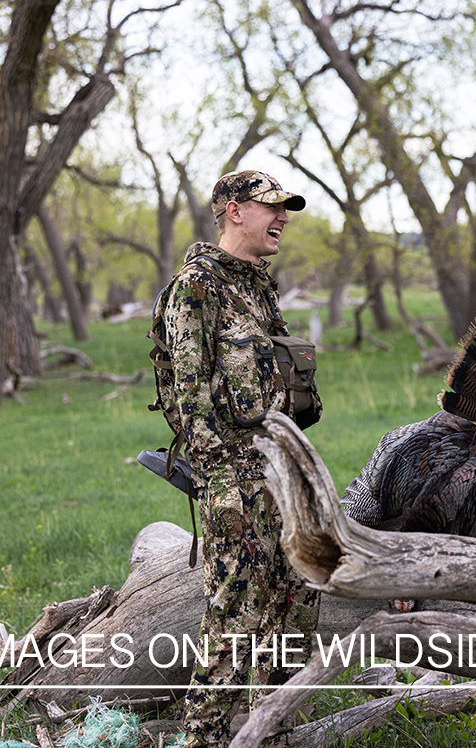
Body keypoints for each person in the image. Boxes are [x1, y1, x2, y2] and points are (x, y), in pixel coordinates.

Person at [159, 170, 321, 745]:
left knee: (294, 611)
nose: (282, 218)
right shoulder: (196, 288)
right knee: (235, 620)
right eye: (270, 207)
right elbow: (190, 403)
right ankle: (201, 737)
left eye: (285, 209)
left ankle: (270, 731)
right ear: (233, 211)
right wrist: (226, 487)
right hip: (236, 482)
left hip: (282, 471)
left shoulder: (257, 285)